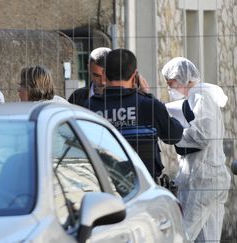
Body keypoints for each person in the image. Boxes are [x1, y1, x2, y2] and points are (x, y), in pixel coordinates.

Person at [83, 49, 183, 180]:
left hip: (104, 188)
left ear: (105, 74)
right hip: (144, 188)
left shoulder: (88, 108)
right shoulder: (148, 106)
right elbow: (174, 136)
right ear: (134, 75)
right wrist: (147, 96)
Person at [161, 57, 231, 242]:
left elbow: (203, 135)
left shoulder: (199, 95)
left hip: (201, 181)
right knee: (208, 238)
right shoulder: (199, 96)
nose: (170, 88)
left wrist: (175, 133)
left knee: (182, 235)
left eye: (171, 83)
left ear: (183, 78)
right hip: (210, 178)